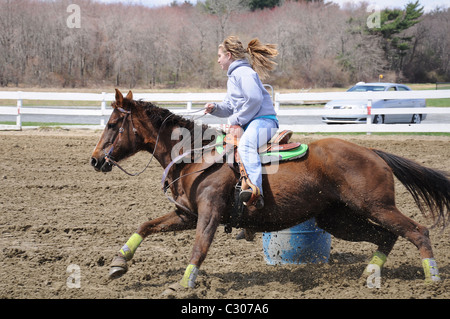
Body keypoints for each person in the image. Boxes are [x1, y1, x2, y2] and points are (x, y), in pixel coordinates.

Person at [204, 35, 279, 209]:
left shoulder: (243, 73)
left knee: (245, 146)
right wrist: (215, 108)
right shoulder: (234, 76)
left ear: (229, 55)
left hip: (264, 121)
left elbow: (254, 100)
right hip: (252, 122)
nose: (218, 60)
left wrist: (237, 121)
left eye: (219, 56)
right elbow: (230, 107)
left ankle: (254, 190)